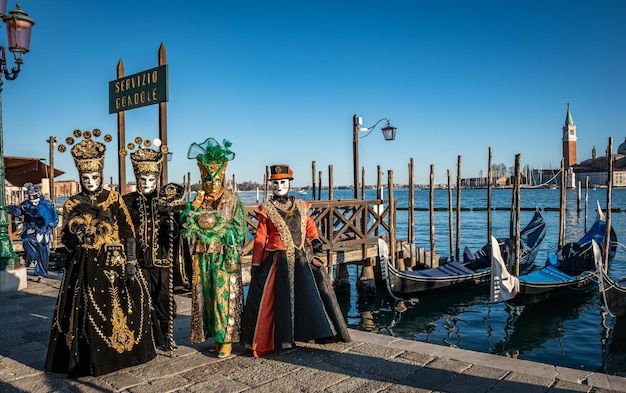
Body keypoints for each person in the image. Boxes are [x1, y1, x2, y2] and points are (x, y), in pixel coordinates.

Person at [45, 129, 156, 378]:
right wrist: (77, 238)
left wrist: (130, 261)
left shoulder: (114, 198)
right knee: (84, 309)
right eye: (86, 178)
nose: (91, 182)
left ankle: (122, 355)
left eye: (95, 177)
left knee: (124, 305)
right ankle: (90, 359)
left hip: (114, 260)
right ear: (80, 177)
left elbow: (129, 231)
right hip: (84, 265)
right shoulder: (73, 202)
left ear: (101, 173)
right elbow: (66, 237)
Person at [240, 164, 350, 357]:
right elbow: (260, 238)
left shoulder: (300, 205)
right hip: (278, 261)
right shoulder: (266, 209)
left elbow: (309, 226)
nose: (279, 186)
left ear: (289, 183)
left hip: (301, 258)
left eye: (282, 182)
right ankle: (283, 341)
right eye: (275, 183)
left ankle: (320, 332)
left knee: (310, 295)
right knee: (280, 300)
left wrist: (315, 240)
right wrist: (256, 264)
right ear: (271, 185)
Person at [181, 138, 246, 358]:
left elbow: (239, 228)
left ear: (223, 177)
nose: (212, 184)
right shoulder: (200, 199)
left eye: (216, 179)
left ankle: (226, 338)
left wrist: (222, 232)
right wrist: (193, 209)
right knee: (206, 297)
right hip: (202, 254)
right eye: (207, 180)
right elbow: (186, 221)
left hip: (222, 256)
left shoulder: (232, 199)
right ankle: (215, 337)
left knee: (222, 296)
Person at [122, 137, 185, 352]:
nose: (146, 183)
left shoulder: (166, 198)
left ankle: (167, 336)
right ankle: (146, 338)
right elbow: (126, 232)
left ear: (156, 178)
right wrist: (129, 259)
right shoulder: (128, 201)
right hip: (139, 259)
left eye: (150, 179)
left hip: (162, 258)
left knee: (163, 298)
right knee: (140, 298)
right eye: (142, 179)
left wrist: (173, 222)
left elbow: (179, 229)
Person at [8, 182, 58, 281]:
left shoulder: (47, 205)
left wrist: (51, 223)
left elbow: (54, 217)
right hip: (30, 229)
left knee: (43, 253)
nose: (33, 200)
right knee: (27, 240)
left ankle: (40, 274)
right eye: (31, 197)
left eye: (34, 196)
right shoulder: (26, 204)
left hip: (44, 232)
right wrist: (10, 209)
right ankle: (32, 259)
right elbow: (18, 211)